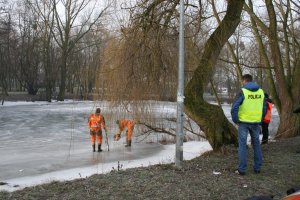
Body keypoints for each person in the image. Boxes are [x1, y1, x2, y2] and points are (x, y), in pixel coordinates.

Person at [231, 74, 266, 175]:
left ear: (244, 81)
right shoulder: (261, 92)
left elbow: (234, 107)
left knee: (242, 145)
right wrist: (260, 120)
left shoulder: (243, 91)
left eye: (242, 81)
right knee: (256, 144)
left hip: (243, 122)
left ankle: (242, 169)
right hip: (256, 122)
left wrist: (236, 120)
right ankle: (257, 168)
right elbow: (264, 108)